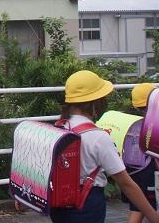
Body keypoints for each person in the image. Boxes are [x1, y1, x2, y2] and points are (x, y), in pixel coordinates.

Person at [50, 70, 159, 223]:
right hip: (87, 205)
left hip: (59, 205)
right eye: (103, 97)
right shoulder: (98, 137)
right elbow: (126, 183)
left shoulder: (60, 126)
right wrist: (154, 217)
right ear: (94, 103)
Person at [122, 83, 157, 223]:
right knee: (143, 208)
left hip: (131, 170)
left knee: (137, 207)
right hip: (148, 170)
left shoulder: (129, 121)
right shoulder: (153, 122)